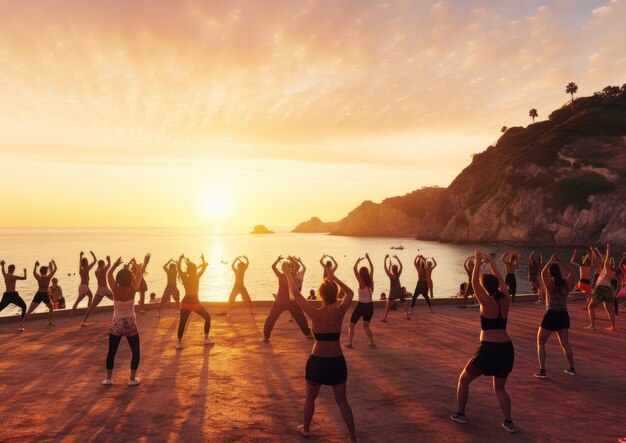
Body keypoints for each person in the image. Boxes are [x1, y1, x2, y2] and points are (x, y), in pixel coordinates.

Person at [282, 261, 357, 442]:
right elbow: (350, 293)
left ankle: (306, 429)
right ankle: (353, 439)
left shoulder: (315, 313)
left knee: (310, 397)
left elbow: (297, 295)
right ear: (334, 295)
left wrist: (287, 273)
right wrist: (333, 277)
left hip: (318, 362)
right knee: (342, 401)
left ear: (321, 294)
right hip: (336, 361)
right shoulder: (340, 311)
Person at [450, 250, 515, 433]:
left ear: (485, 288)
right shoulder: (506, 299)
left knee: (463, 380)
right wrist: (491, 263)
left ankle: (460, 414)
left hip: (488, 350)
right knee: (500, 388)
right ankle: (508, 422)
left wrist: (478, 262)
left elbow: (473, 282)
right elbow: (502, 281)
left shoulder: (487, 303)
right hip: (506, 349)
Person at [102, 254, 149, 386]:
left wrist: (115, 265)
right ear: (130, 279)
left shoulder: (115, 289)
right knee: (136, 352)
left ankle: (108, 379)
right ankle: (132, 379)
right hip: (130, 324)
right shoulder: (133, 289)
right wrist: (137, 266)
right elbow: (139, 274)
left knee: (112, 352)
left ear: (118, 278)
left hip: (116, 323)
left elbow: (108, 275)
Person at [534, 255, 577, 379]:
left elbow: (542, 273)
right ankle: (572, 367)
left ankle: (542, 370)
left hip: (551, 314)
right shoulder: (567, 284)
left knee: (541, 342)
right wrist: (561, 261)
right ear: (559, 272)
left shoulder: (550, 285)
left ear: (550, 273)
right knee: (565, 343)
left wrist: (550, 260)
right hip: (563, 314)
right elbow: (572, 271)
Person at [263, 256, 313, 343]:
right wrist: (288, 259)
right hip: (282, 302)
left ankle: (307, 332)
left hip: (288, 302)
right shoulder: (285, 275)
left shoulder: (288, 275)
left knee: (299, 317)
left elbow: (274, 267)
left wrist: (279, 260)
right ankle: (266, 335)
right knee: (272, 318)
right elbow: (295, 266)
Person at [177, 254, 214, 348]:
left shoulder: (185, 277)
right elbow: (204, 267)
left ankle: (179, 343)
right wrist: (203, 259)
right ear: (194, 270)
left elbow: (178, 268)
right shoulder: (197, 276)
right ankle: (206, 339)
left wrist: (180, 259)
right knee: (207, 318)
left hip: (186, 302)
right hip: (194, 303)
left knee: (182, 323)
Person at [19, 260, 58, 330]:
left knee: (29, 311)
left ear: (40, 271)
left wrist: (35, 265)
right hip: (44, 295)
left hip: (39, 294)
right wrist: (54, 263)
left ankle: (21, 325)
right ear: (46, 271)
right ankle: (48, 322)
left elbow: (34, 272)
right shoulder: (48, 277)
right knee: (51, 307)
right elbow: (55, 269)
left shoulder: (39, 277)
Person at [346, 254, 375, 348]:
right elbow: (372, 268)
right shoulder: (370, 283)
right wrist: (369, 259)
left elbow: (354, 270)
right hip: (370, 306)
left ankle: (350, 343)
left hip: (361, 306)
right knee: (366, 326)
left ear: (361, 274)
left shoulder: (362, 283)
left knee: (351, 325)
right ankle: (372, 342)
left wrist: (357, 261)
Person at [586, 243, 617, 331]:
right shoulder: (614, 272)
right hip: (609, 290)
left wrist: (608, 249)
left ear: (608, 264)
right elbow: (604, 260)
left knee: (590, 307)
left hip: (600, 288)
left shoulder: (606, 268)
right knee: (610, 309)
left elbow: (606, 259)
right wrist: (596, 251)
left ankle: (592, 326)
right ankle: (614, 327)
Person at [81, 256, 112, 326]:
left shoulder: (96, 272)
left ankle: (83, 321)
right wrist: (108, 260)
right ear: (102, 265)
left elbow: (102, 268)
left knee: (91, 307)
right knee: (117, 299)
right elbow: (109, 265)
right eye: (103, 264)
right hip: (105, 289)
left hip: (100, 290)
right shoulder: (103, 270)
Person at [380, 255, 410, 322]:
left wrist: (385, 259)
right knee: (403, 302)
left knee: (388, 304)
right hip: (399, 291)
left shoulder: (391, 276)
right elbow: (401, 266)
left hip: (393, 292)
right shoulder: (398, 274)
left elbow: (385, 268)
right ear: (396, 269)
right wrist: (397, 258)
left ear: (392, 270)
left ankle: (385, 318)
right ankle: (408, 315)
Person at [70, 251, 96, 317]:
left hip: (82, 286)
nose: (88, 263)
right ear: (86, 263)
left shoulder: (80, 270)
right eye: (87, 262)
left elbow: (80, 263)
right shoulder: (87, 269)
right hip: (84, 287)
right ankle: (72, 313)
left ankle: (88, 311)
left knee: (90, 296)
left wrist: (80, 256)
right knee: (78, 300)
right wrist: (93, 254)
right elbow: (95, 261)